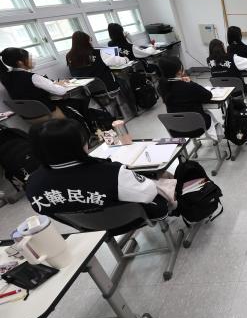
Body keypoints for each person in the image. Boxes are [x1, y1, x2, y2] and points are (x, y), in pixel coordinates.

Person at [25, 119, 169, 226]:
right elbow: (149, 192)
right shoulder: (111, 173)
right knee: (161, 181)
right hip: (128, 221)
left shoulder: (32, 183)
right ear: (78, 145)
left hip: (85, 227)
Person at [0, 47, 70, 119]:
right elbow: (61, 91)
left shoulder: (6, 78)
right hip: (47, 114)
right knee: (73, 103)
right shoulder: (33, 77)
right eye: (29, 58)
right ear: (20, 62)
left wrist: (53, 84)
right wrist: (61, 84)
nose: (32, 60)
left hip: (28, 117)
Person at [158, 56, 216, 137]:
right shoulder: (188, 86)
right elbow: (208, 96)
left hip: (176, 129)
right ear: (179, 70)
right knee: (208, 115)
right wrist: (190, 82)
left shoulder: (161, 86)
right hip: (196, 128)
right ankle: (216, 139)